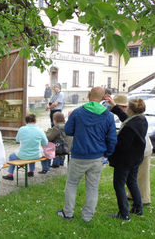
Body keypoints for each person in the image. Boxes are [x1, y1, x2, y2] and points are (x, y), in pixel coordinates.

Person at [57, 87, 117, 222]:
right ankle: (87, 217)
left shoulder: (78, 112)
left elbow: (68, 130)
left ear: (89, 95)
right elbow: (113, 139)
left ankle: (68, 213)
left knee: (72, 184)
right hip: (97, 157)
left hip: (79, 156)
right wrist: (106, 154)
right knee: (92, 187)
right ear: (103, 98)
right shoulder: (108, 116)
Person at [106, 97, 148, 220]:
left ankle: (124, 214)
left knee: (119, 185)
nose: (126, 110)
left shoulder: (130, 127)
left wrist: (110, 139)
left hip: (125, 160)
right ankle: (138, 208)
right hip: (136, 158)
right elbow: (125, 118)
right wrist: (114, 106)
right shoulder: (141, 119)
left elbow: (122, 146)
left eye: (127, 108)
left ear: (131, 110)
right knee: (132, 182)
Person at [3, 114, 48, 180]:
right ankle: (31, 171)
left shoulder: (21, 129)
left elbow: (17, 140)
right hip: (36, 155)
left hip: (23, 155)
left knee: (11, 156)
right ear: (35, 121)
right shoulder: (40, 130)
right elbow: (45, 143)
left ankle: (10, 174)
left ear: (26, 122)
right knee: (33, 151)